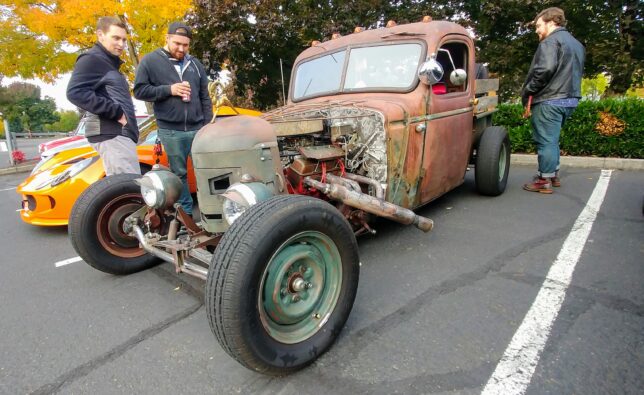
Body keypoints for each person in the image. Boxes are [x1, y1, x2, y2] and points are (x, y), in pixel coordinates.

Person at [134, 22, 213, 216]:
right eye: (177, 43)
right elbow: (139, 90)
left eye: (185, 45)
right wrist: (169, 90)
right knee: (179, 174)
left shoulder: (195, 63)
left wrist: (207, 125)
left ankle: (210, 210)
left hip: (197, 129)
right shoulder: (150, 61)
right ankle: (185, 213)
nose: (181, 49)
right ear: (167, 38)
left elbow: (204, 96)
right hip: (171, 130)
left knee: (206, 170)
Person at [521, 7, 585, 194]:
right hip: (570, 98)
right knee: (552, 139)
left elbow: (545, 70)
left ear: (551, 22)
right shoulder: (577, 44)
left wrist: (529, 89)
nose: (537, 30)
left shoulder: (550, 42)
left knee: (546, 141)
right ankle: (552, 174)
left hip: (550, 99)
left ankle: (544, 181)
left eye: (539, 25)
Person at [67, 16, 140, 176]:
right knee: (129, 192)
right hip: (112, 134)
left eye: (124, 40)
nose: (121, 44)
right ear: (100, 35)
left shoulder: (108, 63)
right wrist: (116, 112)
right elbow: (75, 93)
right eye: (116, 38)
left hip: (119, 135)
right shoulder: (92, 60)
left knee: (127, 191)